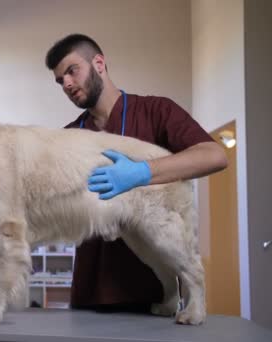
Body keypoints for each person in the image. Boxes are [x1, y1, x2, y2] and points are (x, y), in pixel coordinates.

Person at [44, 33, 228, 312]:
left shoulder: (157, 111)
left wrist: (143, 172)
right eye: (60, 81)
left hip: (148, 293)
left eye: (72, 71)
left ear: (99, 63)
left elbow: (214, 156)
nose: (67, 84)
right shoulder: (69, 137)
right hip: (89, 292)